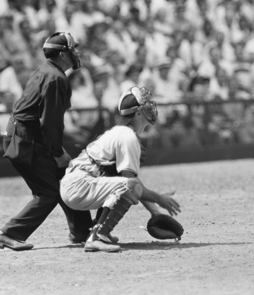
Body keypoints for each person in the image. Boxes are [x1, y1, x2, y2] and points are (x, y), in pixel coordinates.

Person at [0, 32, 94, 251]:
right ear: (62, 54)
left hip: (26, 137)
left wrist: (56, 151)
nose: (76, 53)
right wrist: (57, 152)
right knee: (48, 193)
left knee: (66, 178)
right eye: (72, 49)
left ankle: (84, 232)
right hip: (27, 140)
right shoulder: (56, 77)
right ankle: (8, 233)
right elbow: (50, 122)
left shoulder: (48, 71)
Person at [60, 86, 181, 252]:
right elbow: (131, 184)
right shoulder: (127, 136)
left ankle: (99, 231)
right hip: (79, 185)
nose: (151, 107)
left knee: (126, 183)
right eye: (145, 104)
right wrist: (158, 199)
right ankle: (96, 236)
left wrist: (154, 211)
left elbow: (128, 180)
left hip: (79, 183)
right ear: (138, 113)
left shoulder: (122, 133)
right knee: (129, 185)